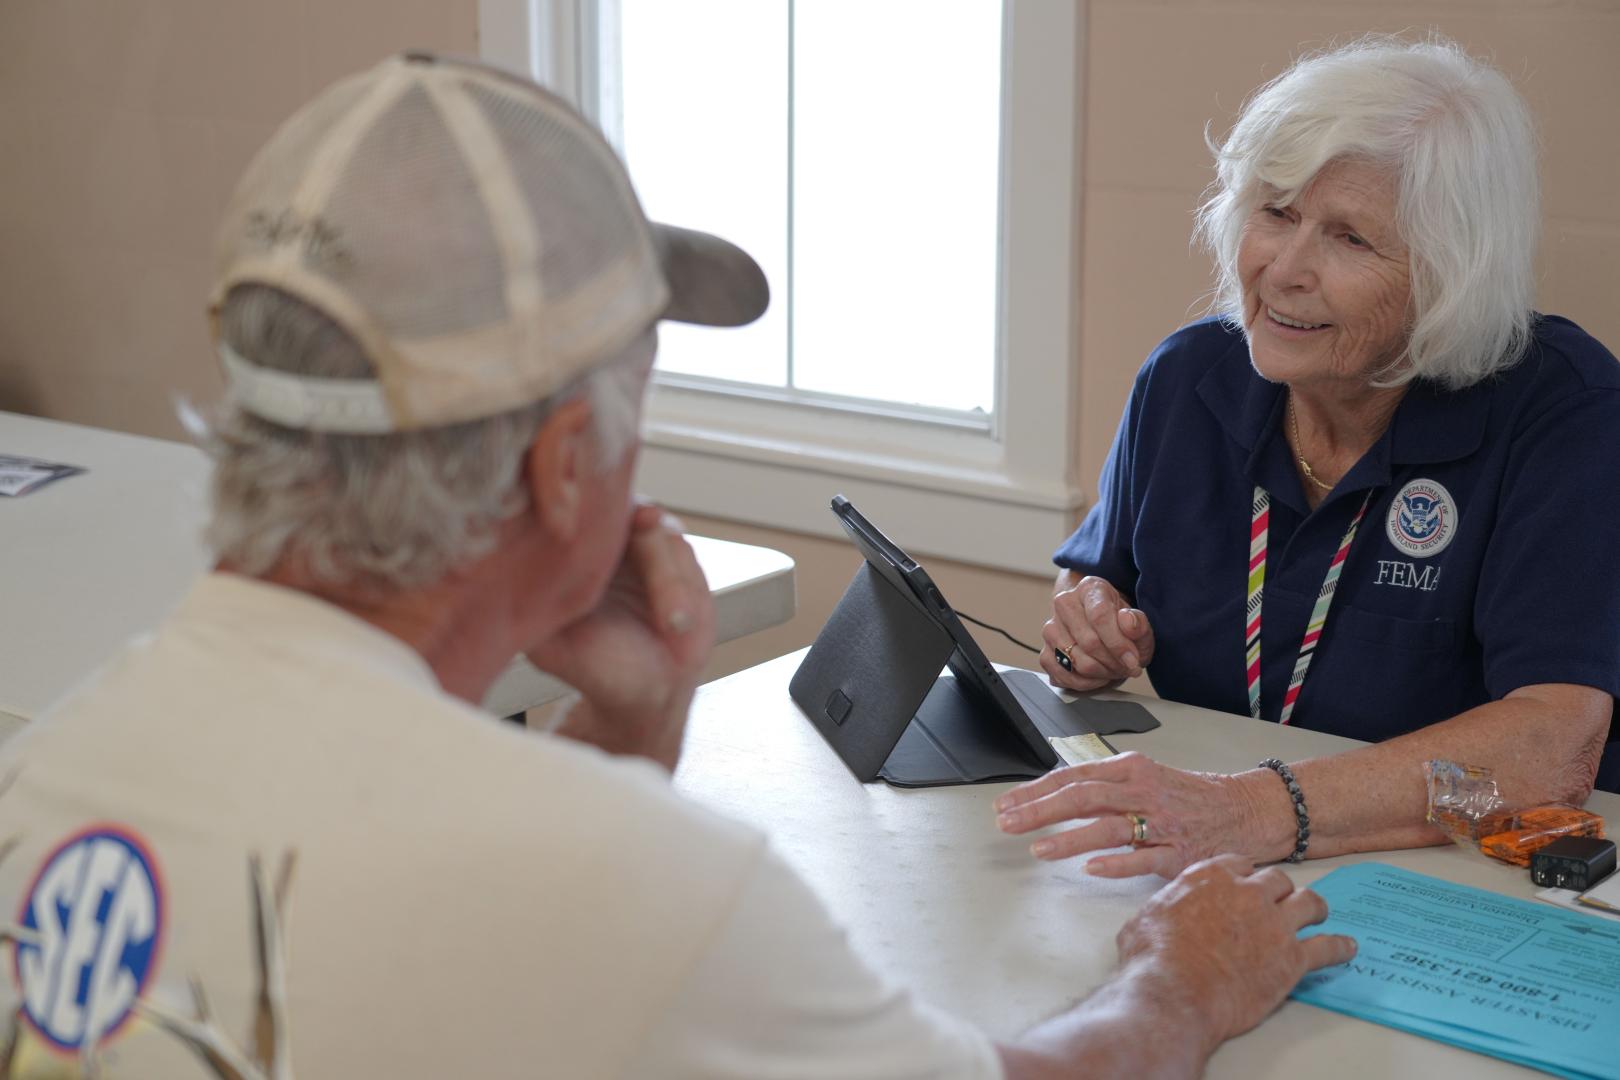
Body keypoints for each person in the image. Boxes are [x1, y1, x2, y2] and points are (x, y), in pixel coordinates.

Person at [0, 53, 1350, 1079]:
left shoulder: (50, 771)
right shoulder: (654, 892)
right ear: (563, 466)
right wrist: (1180, 987)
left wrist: (635, 728)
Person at [1000, 36, 1620, 877]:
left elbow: (1554, 740)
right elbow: (1094, 581)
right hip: (1220, 854)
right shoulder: (1188, 378)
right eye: (1277, 213)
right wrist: (1088, 626)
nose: (1283, 271)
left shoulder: (1566, 410)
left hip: (1474, 876)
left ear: (1452, 272)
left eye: (1351, 240)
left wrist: (1252, 809)